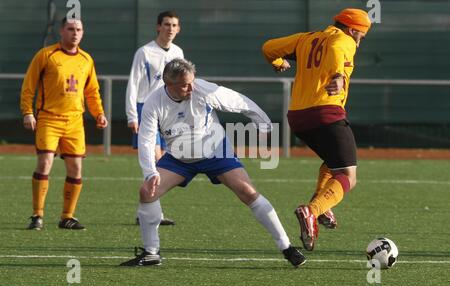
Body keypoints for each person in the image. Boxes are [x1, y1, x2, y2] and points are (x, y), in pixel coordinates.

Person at [120, 58, 306, 267]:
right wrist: (150, 172)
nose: (191, 87)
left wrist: (263, 123)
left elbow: (240, 101)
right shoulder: (154, 102)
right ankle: (151, 253)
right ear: (168, 84)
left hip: (215, 151)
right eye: (184, 84)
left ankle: (287, 247)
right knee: (147, 191)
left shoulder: (204, 89)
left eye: (192, 81)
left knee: (248, 192)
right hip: (179, 157)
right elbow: (146, 139)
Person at [262, 8, 372, 251]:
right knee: (348, 176)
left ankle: (321, 206)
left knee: (332, 162)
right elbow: (336, 49)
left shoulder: (305, 38)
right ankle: (312, 211)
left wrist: (279, 62)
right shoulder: (344, 40)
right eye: (360, 37)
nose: (359, 42)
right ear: (353, 30)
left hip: (298, 117)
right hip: (326, 113)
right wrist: (337, 75)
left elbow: (269, 47)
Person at [20, 17, 108, 230]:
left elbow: (92, 91)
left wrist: (99, 114)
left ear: (83, 32)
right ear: (61, 31)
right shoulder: (46, 55)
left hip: (75, 121)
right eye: (70, 29)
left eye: (78, 29)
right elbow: (29, 86)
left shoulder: (86, 59)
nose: (74, 33)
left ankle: (67, 217)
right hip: (49, 118)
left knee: (76, 168)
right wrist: (27, 112)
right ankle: (37, 215)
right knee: (44, 164)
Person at [125, 10, 184, 226]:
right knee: (156, 160)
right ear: (158, 27)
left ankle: (148, 212)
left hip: (168, 113)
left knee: (162, 161)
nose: (170, 28)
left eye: (174, 25)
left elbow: (183, 85)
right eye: (166, 24)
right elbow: (133, 83)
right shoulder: (145, 52)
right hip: (146, 110)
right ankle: (151, 213)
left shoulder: (178, 52)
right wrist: (133, 115)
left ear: (178, 29)